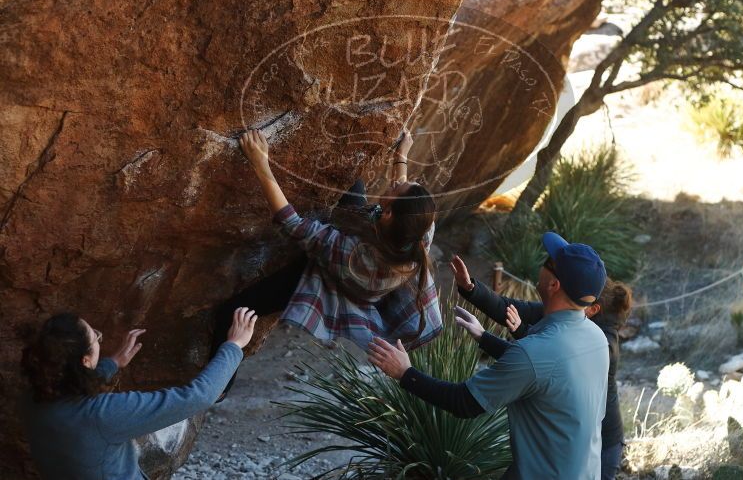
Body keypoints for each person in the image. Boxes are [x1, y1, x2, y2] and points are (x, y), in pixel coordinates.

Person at [212, 129, 441, 398]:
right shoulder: (418, 235)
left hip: (329, 279)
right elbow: (403, 204)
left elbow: (292, 223)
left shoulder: (354, 255)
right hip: (362, 248)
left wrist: (260, 162)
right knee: (352, 184)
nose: (396, 183)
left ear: (388, 215)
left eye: (397, 189)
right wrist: (401, 156)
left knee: (233, 312)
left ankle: (218, 387)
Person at [368, 232, 610, 480]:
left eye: (548, 262)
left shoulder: (535, 353)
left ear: (553, 284)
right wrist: (484, 337)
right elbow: (541, 374)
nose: (542, 264)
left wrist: (405, 373)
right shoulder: (595, 337)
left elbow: (464, 402)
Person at [451, 253, 632, 480]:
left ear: (592, 308)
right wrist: (471, 289)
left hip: (602, 446)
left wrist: (522, 334)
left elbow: (544, 363)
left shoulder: (601, 342)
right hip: (564, 441)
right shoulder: (570, 313)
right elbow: (512, 311)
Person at [20, 307, 257, 480]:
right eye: (96, 337)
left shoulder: (33, 399)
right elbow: (197, 397)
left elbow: (69, 386)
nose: (99, 338)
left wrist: (111, 363)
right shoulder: (102, 416)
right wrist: (233, 346)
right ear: (85, 360)